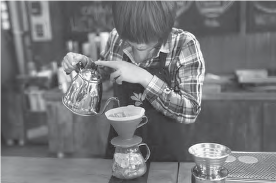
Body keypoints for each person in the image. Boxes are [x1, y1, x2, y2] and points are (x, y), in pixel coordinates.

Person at [62, 0, 205, 162]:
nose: (140, 43)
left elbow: (190, 111)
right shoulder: (117, 37)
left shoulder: (184, 44)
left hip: (167, 156)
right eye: (131, 36)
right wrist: (82, 64)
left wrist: (143, 77)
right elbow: (102, 73)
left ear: (165, 22)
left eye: (149, 36)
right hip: (122, 148)